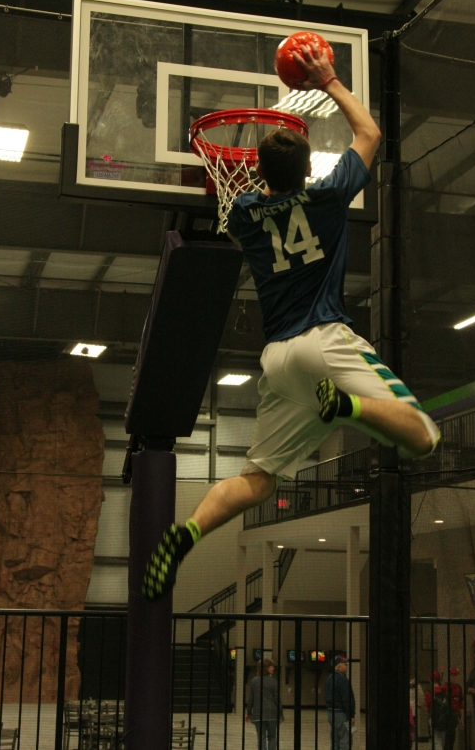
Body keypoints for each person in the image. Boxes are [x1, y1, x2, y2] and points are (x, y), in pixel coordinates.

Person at [142, 42, 440, 600]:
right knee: (423, 436)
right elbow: (370, 136)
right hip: (326, 342)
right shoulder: (327, 197)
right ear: (308, 169)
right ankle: (347, 406)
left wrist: (255, 172)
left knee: (256, 481)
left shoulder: (245, 216)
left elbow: (246, 200)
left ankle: (186, 534)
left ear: (255, 172)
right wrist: (326, 79)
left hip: (278, 360)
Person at [246, 658, 282, 750]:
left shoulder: (254, 681)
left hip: (259, 713)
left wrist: (249, 712)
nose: (273, 668)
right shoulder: (273, 681)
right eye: (271, 666)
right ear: (266, 668)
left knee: (261, 738)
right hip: (272, 713)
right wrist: (280, 713)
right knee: (272, 737)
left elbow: (251, 699)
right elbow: (277, 699)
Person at [325, 656, 356, 750]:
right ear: (339, 667)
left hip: (331, 713)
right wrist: (351, 715)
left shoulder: (329, 678)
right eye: (345, 664)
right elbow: (346, 699)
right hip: (341, 713)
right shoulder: (343, 680)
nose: (347, 666)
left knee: (335, 739)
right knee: (345, 739)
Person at [444, 667, 464, 750]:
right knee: (446, 739)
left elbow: (461, 704)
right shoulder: (445, 687)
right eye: (452, 675)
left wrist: (462, 717)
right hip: (446, 716)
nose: (454, 677)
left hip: (454, 716)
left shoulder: (459, 688)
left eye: (455, 675)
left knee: (452, 738)